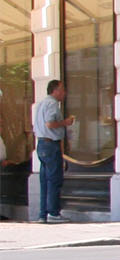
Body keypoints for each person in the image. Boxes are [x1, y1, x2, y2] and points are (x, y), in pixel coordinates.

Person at [32, 79, 74, 223]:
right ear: (55, 90)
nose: (64, 93)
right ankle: (54, 213)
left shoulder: (41, 103)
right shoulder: (52, 104)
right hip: (50, 144)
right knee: (54, 179)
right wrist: (65, 122)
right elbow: (50, 123)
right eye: (62, 90)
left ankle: (43, 214)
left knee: (45, 181)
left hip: (41, 144)